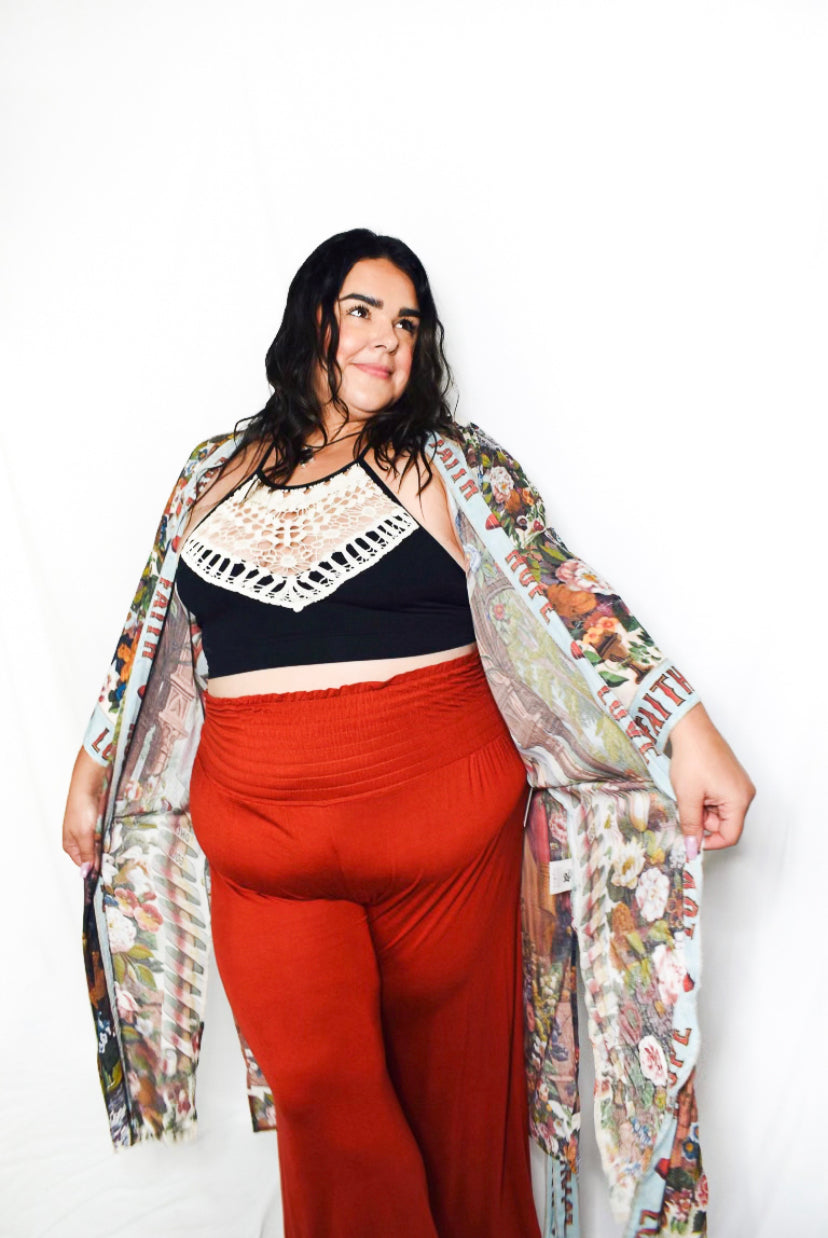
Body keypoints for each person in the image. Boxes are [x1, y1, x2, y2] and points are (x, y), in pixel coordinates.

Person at [62, 228, 754, 1238]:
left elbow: (565, 596)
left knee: (458, 1133)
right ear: (312, 318)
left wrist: (688, 728)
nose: (387, 338)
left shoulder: (448, 464)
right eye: (363, 311)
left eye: (408, 322)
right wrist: (93, 766)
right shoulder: (211, 473)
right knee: (327, 1100)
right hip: (264, 851)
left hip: (446, 850)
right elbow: (147, 639)